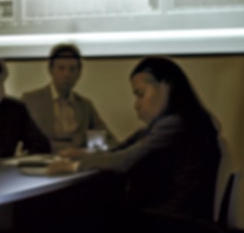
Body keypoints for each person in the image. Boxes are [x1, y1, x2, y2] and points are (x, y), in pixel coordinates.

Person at [47, 56, 221, 228]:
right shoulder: (174, 124)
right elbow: (121, 150)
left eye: (140, 94)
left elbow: (124, 160)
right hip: (172, 217)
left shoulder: (174, 124)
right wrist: (83, 154)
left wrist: (74, 166)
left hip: (172, 221)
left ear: (166, 86)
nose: (136, 105)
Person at [21, 43, 116, 153]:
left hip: (77, 163)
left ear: (79, 73)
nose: (67, 74)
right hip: (42, 162)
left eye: (72, 69)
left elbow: (107, 138)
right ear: (51, 70)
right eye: (61, 68)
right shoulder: (31, 101)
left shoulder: (85, 106)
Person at [0, 59, 51, 169]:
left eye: (1, 82)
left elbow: (42, 146)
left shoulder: (14, 109)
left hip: (1, 177)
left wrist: (14, 161)